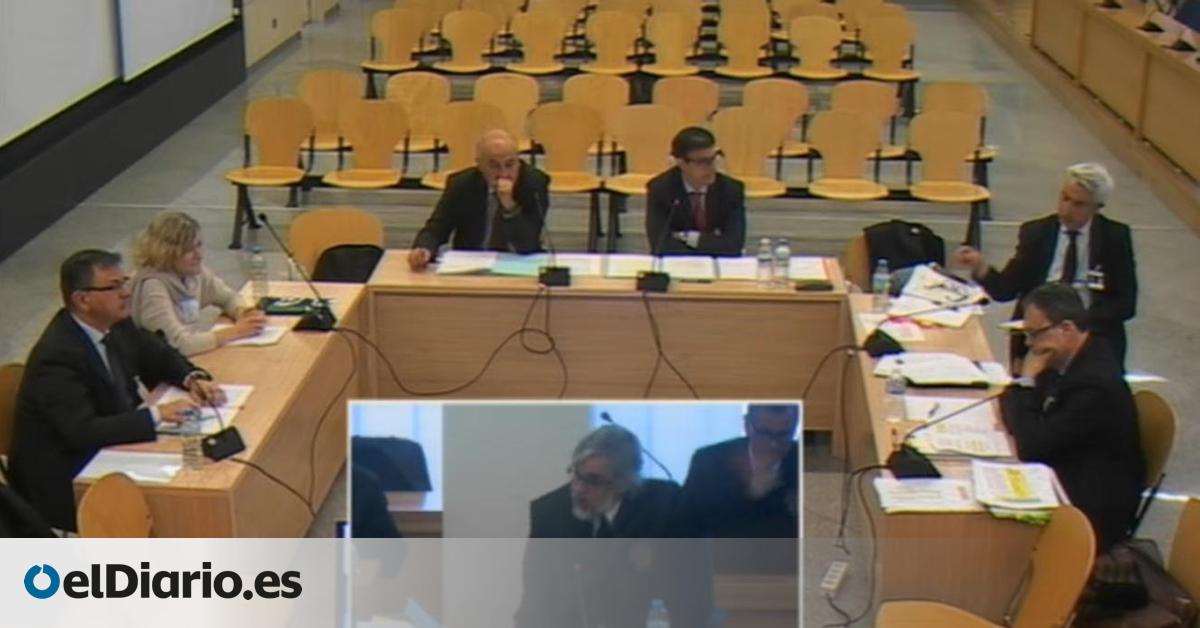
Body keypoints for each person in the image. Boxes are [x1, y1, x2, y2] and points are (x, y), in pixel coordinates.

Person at [8, 250, 228, 532]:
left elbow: (158, 354)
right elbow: (83, 431)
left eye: (124, 282)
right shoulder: (57, 357)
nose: (126, 293)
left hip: (111, 447)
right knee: (185, 493)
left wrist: (192, 378)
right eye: (114, 287)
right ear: (83, 300)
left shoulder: (116, 323)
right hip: (68, 477)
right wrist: (157, 415)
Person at [515, 425, 712, 628]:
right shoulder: (550, 513)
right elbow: (535, 599)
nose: (579, 488)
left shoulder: (667, 509)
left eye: (593, 481)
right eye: (576, 475)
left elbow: (692, 596)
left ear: (624, 483)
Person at [999, 283, 1144, 551]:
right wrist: (1024, 394)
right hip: (1071, 467)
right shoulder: (1068, 356)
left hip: (1091, 508)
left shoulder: (1094, 384)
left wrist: (1026, 381)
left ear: (1066, 328)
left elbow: (1031, 446)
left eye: (1035, 334)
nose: (1029, 344)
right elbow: (1011, 403)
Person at [953, 162, 1137, 367]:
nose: (1066, 210)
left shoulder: (1115, 238)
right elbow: (1006, 289)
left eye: (1079, 204)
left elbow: (1126, 303)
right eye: (1065, 198)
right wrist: (980, 266)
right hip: (1038, 331)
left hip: (1091, 330)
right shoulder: (1037, 233)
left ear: (1097, 207)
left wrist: (1077, 324)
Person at [408, 129, 550, 269]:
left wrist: (509, 205)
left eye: (510, 164)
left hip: (520, 263)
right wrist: (424, 249)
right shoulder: (461, 184)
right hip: (471, 264)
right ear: (480, 165)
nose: (503, 173)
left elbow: (528, 244)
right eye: (494, 166)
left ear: (518, 161)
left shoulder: (534, 183)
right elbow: (436, 228)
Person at [130, 211, 266, 356]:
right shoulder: (152, 286)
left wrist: (243, 313)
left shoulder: (192, 272)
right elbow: (177, 344)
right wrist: (236, 331)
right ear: (166, 253)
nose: (199, 255)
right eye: (188, 250)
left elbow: (229, 297)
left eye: (199, 245)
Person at [683, 404, 799, 539]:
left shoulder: (801, 459)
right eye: (765, 433)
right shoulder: (708, 462)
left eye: (783, 434)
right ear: (747, 426)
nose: (773, 444)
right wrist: (750, 494)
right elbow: (686, 526)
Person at [645, 126, 746, 257]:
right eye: (702, 162)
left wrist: (691, 239)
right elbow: (660, 246)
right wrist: (713, 241)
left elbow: (733, 245)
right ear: (681, 162)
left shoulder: (731, 189)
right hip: (677, 263)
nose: (711, 168)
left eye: (713, 159)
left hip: (718, 262)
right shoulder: (660, 189)